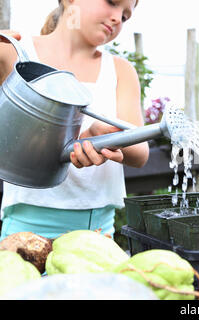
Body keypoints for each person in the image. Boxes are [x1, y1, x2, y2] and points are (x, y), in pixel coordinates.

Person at [0, 0, 149, 240]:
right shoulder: (12, 52)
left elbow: (141, 152)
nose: (116, 18)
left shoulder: (120, 70)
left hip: (98, 231)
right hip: (24, 229)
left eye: (125, 16)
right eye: (112, 2)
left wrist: (105, 138)